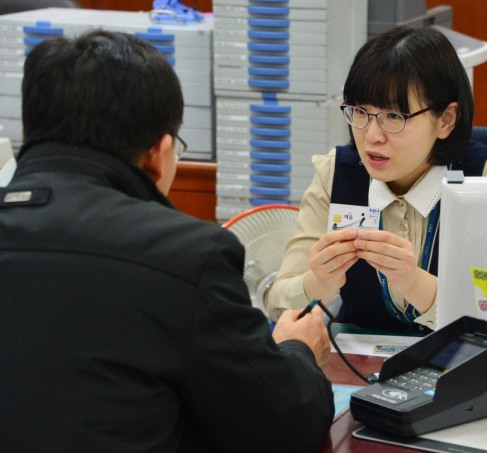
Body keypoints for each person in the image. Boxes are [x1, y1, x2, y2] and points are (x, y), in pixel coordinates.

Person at [0, 30, 333, 452]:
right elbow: (286, 427)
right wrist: (299, 350)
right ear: (158, 155)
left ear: (27, 129)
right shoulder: (184, 256)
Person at [266, 26, 487, 333]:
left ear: (445, 120)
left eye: (393, 116)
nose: (372, 136)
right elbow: (277, 304)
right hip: (357, 361)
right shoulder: (335, 173)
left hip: (461, 359)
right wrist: (318, 281)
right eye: (360, 112)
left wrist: (414, 283)